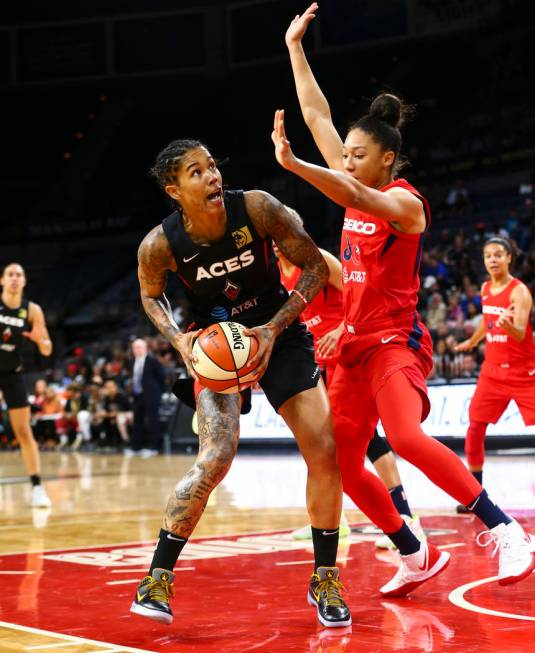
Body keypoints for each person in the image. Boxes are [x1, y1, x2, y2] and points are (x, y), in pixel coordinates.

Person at [272, 3, 534, 597]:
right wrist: (294, 48)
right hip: (355, 346)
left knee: (409, 438)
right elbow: (317, 115)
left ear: (386, 160)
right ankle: (414, 552)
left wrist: (295, 165)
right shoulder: (354, 186)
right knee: (336, 460)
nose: (348, 161)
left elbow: (338, 180)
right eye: (347, 155)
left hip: (397, 341)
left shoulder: (404, 204)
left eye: (357, 155)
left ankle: (507, 529)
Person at [129, 138, 351, 628]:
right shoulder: (160, 245)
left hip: (280, 331)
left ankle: (326, 576)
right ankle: (156, 578)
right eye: (196, 171)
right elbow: (151, 299)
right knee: (216, 456)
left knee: (324, 448)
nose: (211, 175)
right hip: (214, 347)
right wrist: (180, 342)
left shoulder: (256, 208)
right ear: (174, 190)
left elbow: (315, 267)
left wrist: (273, 328)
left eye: (212, 165)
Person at [274, 207, 422, 548]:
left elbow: (362, 297)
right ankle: (334, 519)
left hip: (349, 357)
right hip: (316, 364)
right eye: (275, 236)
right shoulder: (277, 276)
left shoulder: (320, 259)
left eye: (286, 233)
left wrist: (341, 328)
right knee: (321, 444)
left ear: (299, 230)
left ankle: (406, 515)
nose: (280, 243)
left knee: (369, 440)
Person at [455, 237, 535, 509]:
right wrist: (473, 341)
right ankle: (474, 494)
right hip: (492, 372)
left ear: (509, 257)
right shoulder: (486, 287)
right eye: (488, 255)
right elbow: (488, 321)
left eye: (499, 254)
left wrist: (507, 324)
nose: (493, 259)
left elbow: (521, 332)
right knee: (475, 427)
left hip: (524, 372)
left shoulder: (519, 291)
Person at [0, 263, 52, 507]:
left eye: (19, 274)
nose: (14, 278)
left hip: (13, 373)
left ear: (24, 281)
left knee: (23, 431)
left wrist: (38, 339)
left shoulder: (32, 310)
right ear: (2, 280)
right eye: (10, 274)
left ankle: (37, 487)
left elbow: (47, 348)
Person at [128, 338, 165, 457]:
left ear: (145, 348)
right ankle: (136, 448)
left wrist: (158, 392)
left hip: (151, 395)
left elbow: (161, 377)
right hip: (137, 394)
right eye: (135, 348)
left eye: (139, 347)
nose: (137, 350)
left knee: (152, 420)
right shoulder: (132, 361)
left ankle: (154, 447)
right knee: (137, 420)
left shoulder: (152, 360)